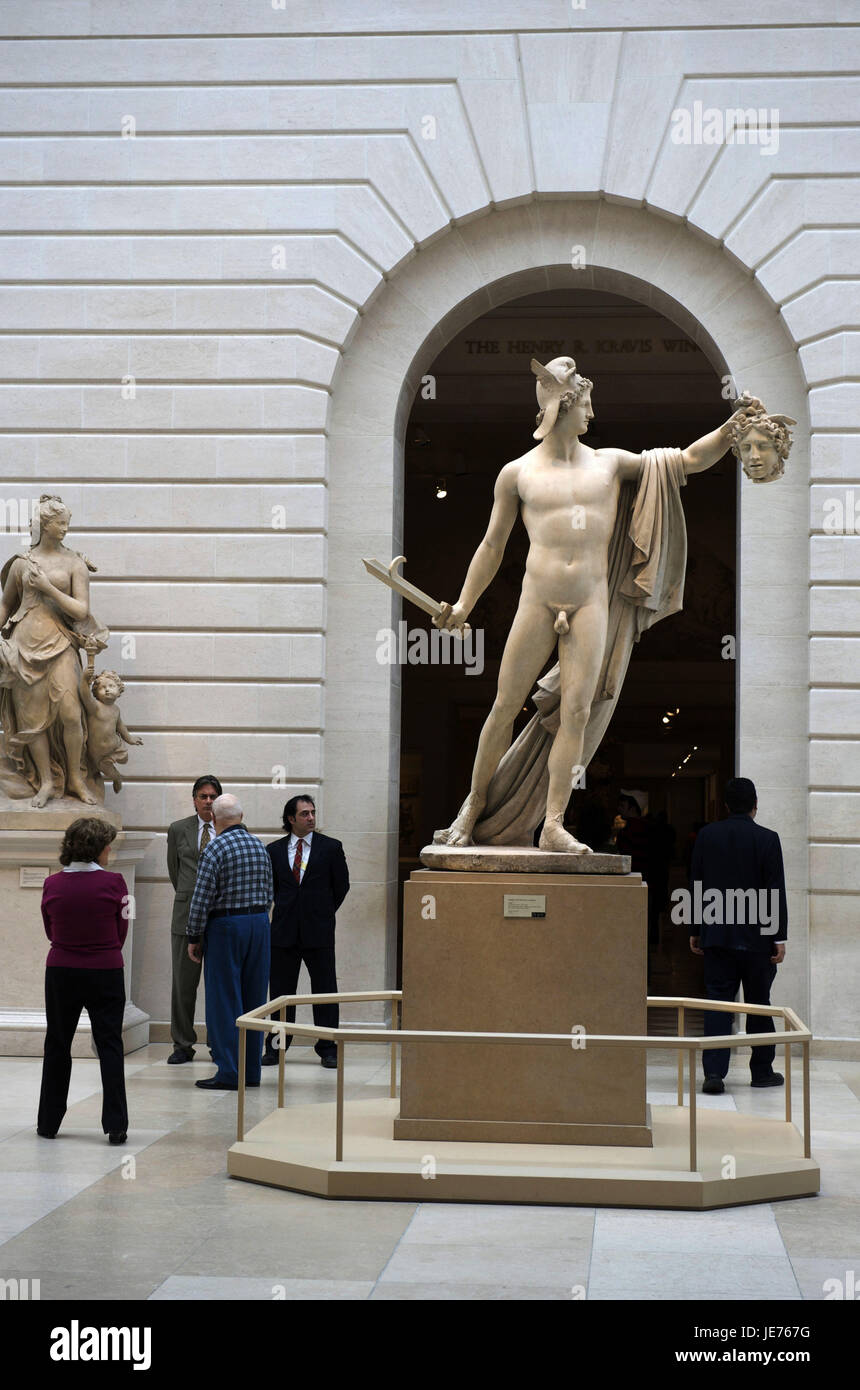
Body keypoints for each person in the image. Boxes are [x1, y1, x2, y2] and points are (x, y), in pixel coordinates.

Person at [431, 365, 770, 853]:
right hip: (537, 600)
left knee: (577, 712)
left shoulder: (610, 464)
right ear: (563, 406)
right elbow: (491, 546)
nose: (592, 411)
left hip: (590, 603)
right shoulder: (518, 473)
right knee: (503, 706)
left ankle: (552, 822)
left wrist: (731, 428)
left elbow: (690, 460)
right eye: (585, 402)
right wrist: (464, 602)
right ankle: (472, 806)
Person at [689, 777, 787, 1094]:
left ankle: (714, 1074)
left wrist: (695, 929)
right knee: (759, 1003)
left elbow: (697, 885)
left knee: (718, 1003)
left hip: (716, 932)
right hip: (758, 937)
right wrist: (778, 936)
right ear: (755, 805)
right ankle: (761, 1071)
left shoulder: (707, 836)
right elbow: (775, 891)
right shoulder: (768, 839)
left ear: (726, 805)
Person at [37, 816, 129, 1144]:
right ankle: (116, 1125)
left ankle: (48, 1123)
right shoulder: (116, 883)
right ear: (97, 848)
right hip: (106, 970)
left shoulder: (52, 884)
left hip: (62, 969)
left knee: (58, 1043)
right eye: (107, 845)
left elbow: (50, 927)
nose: (109, 850)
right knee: (110, 1045)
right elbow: (122, 930)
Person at [186, 793, 272, 1090]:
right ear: (242, 815)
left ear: (213, 818)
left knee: (224, 1001)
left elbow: (201, 897)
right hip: (259, 923)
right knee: (254, 999)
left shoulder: (215, 847)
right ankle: (251, 1071)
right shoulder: (259, 846)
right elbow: (270, 892)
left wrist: (194, 935)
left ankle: (229, 1072)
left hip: (225, 926)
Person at [263, 795, 350, 1070]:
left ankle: (327, 1047)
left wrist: (321, 912)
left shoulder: (331, 848)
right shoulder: (274, 851)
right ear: (291, 819)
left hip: (319, 931)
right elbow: (271, 889)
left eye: (312, 813)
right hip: (283, 932)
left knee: (324, 990)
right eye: (304, 814)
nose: (311, 818)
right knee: (281, 993)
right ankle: (276, 1047)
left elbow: (342, 886)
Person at [165, 774, 222, 1065]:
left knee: (219, 985)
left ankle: (219, 1044)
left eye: (213, 796)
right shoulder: (178, 829)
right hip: (185, 915)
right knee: (183, 984)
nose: (208, 801)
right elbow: (175, 873)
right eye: (203, 796)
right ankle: (182, 1045)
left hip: (221, 917)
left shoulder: (230, 828)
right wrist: (192, 899)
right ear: (195, 799)